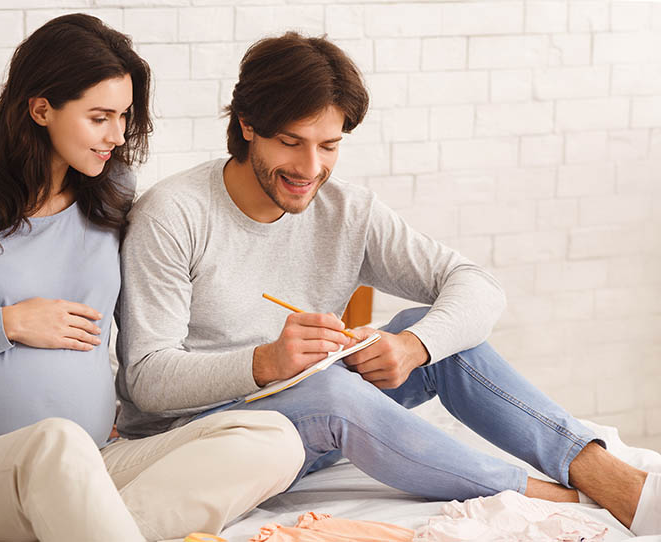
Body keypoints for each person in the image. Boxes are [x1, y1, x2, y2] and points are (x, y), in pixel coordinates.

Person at [116, 32, 659, 536]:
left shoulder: (345, 210)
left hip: (316, 424)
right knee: (325, 389)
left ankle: (602, 475)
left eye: (329, 145)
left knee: (430, 331)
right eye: (291, 142)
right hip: (204, 438)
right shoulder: (174, 214)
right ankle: (546, 497)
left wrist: (415, 347)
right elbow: (145, 379)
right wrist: (266, 364)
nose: (310, 167)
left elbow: (476, 284)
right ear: (247, 124)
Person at [0, 15, 304, 542]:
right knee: (56, 443)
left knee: (272, 435)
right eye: (100, 117)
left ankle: (88, 525)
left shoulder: (111, 192)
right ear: (41, 108)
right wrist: (6, 324)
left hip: (91, 465)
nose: (117, 136)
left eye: (123, 116)